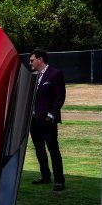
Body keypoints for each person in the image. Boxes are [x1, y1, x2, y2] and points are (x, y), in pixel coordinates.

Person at [29, 49, 66, 191]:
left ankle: (59, 181)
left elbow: (60, 97)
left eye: (32, 60)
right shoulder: (34, 76)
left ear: (40, 59)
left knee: (53, 149)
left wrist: (51, 114)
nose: (30, 63)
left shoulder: (55, 74)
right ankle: (45, 176)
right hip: (34, 120)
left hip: (47, 120)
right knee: (39, 149)